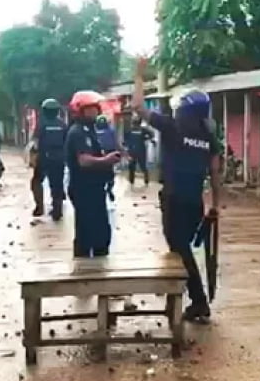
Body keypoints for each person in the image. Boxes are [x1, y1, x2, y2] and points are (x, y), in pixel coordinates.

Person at [132, 56, 222, 322]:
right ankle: (190, 298)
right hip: (195, 202)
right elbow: (216, 174)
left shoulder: (173, 127)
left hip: (173, 199)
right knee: (181, 249)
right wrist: (215, 205)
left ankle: (197, 301)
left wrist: (139, 75)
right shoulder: (209, 137)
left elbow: (138, 106)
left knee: (178, 250)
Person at [65, 91, 122, 258]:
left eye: (96, 108)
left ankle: (99, 268)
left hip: (95, 188)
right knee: (87, 233)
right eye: (90, 109)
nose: (95, 112)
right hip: (83, 188)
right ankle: (83, 272)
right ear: (80, 110)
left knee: (100, 233)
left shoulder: (91, 130)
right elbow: (83, 160)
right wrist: (106, 160)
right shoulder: (77, 132)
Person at [31, 98, 67, 221]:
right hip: (59, 159)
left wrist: (32, 158)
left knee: (36, 182)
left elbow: (35, 144)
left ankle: (39, 207)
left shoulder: (41, 124)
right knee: (57, 185)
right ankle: (57, 211)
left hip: (44, 158)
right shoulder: (62, 124)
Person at [95, 115, 119, 201]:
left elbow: (116, 142)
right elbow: (116, 142)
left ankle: (104, 190)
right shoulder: (110, 130)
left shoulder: (94, 131)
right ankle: (108, 188)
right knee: (110, 174)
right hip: (107, 153)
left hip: (102, 154)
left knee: (101, 174)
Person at [125, 118, 155, 186]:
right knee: (132, 166)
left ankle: (145, 180)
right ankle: (132, 181)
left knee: (141, 166)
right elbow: (126, 139)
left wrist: (147, 138)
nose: (134, 125)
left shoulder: (142, 129)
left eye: (135, 123)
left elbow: (151, 134)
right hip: (135, 150)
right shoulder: (131, 130)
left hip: (137, 150)